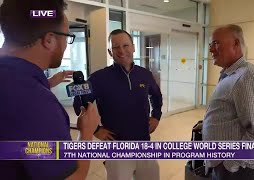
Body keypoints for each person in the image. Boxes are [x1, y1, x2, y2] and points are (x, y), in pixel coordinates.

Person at [0, 0, 100, 179]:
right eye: (67, 37)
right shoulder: (38, 106)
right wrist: (86, 134)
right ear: (49, 39)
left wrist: (48, 82)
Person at [73, 29, 163, 180]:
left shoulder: (144, 74)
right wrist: (96, 130)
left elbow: (156, 95)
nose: (121, 51)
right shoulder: (98, 78)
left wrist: (156, 116)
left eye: (125, 45)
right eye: (116, 47)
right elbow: (78, 105)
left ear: (133, 47)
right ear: (110, 52)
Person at [202, 24, 254, 180]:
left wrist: (231, 164)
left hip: (242, 170)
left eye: (216, 43)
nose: (211, 49)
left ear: (236, 44)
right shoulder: (231, 75)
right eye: (210, 44)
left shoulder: (247, 77)